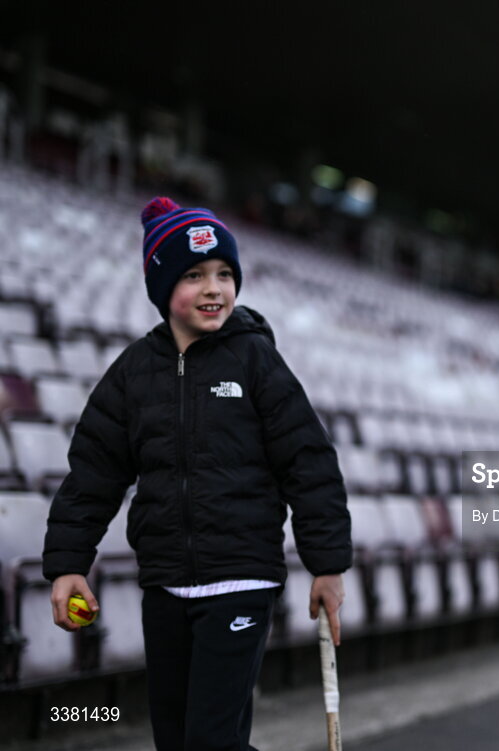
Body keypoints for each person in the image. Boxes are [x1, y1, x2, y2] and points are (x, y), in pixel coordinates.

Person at [43, 197, 352, 751]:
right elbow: (92, 474)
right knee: (179, 742)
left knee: (209, 743)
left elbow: (309, 463)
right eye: (194, 275)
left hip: (240, 580)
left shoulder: (257, 362)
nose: (214, 288)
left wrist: (327, 566)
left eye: (225, 274)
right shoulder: (133, 373)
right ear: (162, 287)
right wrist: (68, 565)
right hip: (164, 585)